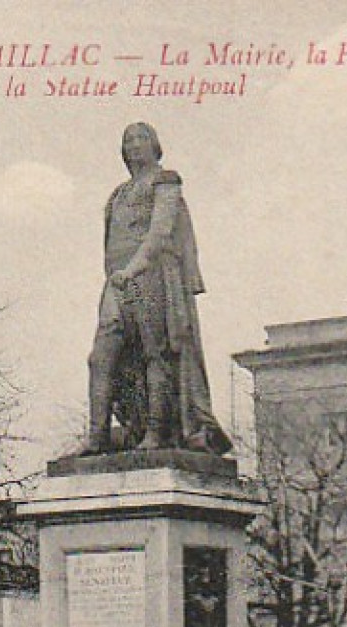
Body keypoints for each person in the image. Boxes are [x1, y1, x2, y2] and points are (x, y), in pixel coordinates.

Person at [85, 122, 231, 456]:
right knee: (101, 357)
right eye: (128, 140)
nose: (134, 145)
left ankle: (156, 432)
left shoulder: (165, 182)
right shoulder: (117, 194)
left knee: (156, 352)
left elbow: (160, 232)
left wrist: (134, 268)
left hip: (151, 275)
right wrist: (116, 275)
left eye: (141, 138)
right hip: (117, 282)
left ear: (155, 145)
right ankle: (97, 437)